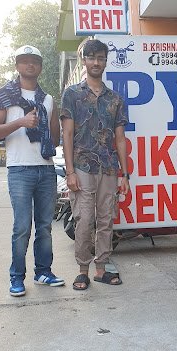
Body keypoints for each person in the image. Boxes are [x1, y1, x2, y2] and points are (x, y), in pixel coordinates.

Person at [0, 45, 65, 296]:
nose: (30, 64)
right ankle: (16, 277)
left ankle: (43, 272)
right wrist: (21, 121)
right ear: (17, 65)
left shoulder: (48, 99)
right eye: (24, 60)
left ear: (40, 66)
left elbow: (55, 137)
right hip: (19, 169)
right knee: (22, 227)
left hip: (46, 169)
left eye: (34, 61)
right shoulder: (5, 96)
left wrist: (47, 129)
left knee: (45, 226)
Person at [60, 39, 130, 290]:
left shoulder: (115, 99)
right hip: (82, 167)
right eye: (91, 58)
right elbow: (67, 134)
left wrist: (125, 174)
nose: (96, 62)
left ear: (105, 62)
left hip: (109, 168)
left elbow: (120, 138)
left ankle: (101, 269)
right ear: (84, 61)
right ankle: (82, 270)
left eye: (101, 58)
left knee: (106, 220)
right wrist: (69, 172)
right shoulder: (72, 94)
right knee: (84, 219)